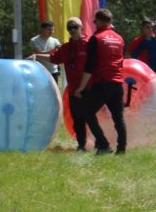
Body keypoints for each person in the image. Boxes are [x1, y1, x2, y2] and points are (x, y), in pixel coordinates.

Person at [74, 8, 127, 154]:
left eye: (95, 21)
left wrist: (81, 88)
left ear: (98, 21)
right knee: (118, 118)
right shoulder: (120, 39)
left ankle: (103, 145)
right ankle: (121, 149)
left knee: (86, 111)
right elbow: (121, 62)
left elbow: (89, 66)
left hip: (103, 83)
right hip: (117, 83)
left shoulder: (96, 38)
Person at [36, 17, 94, 151]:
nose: (72, 30)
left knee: (91, 117)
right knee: (77, 118)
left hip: (90, 87)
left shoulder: (89, 44)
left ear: (81, 27)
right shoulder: (66, 47)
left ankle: (98, 143)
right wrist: (36, 56)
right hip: (73, 89)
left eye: (75, 27)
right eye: (69, 28)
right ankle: (81, 145)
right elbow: (54, 58)